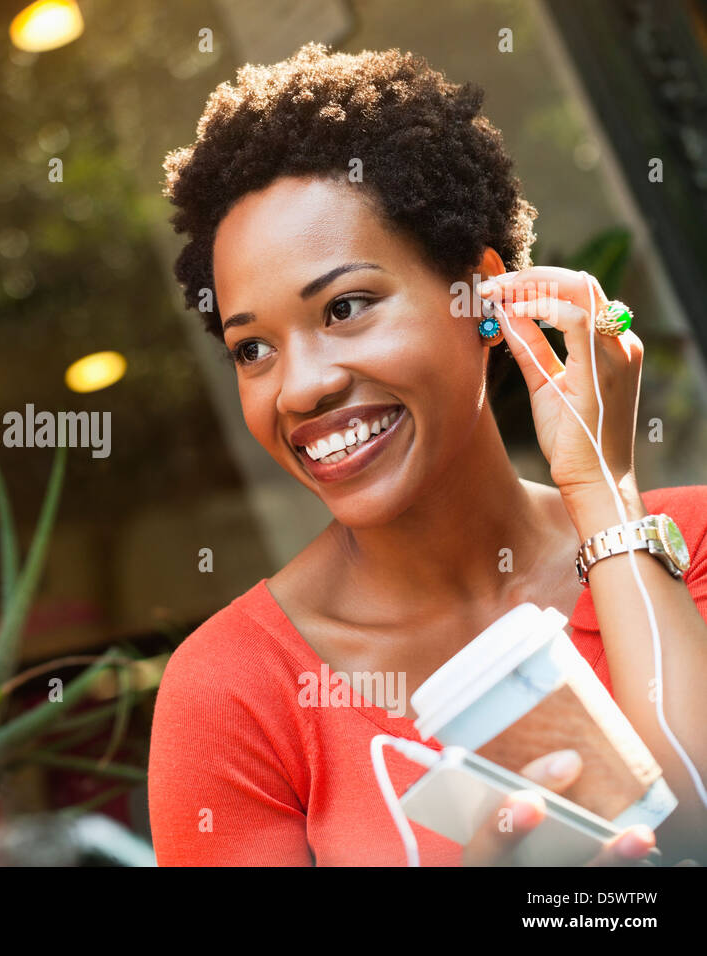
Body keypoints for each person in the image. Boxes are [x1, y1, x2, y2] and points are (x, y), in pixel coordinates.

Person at [147, 43, 707, 866]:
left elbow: (698, 819)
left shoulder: (692, 545)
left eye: (346, 306)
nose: (298, 388)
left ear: (482, 293)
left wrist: (604, 487)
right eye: (252, 350)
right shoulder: (234, 694)